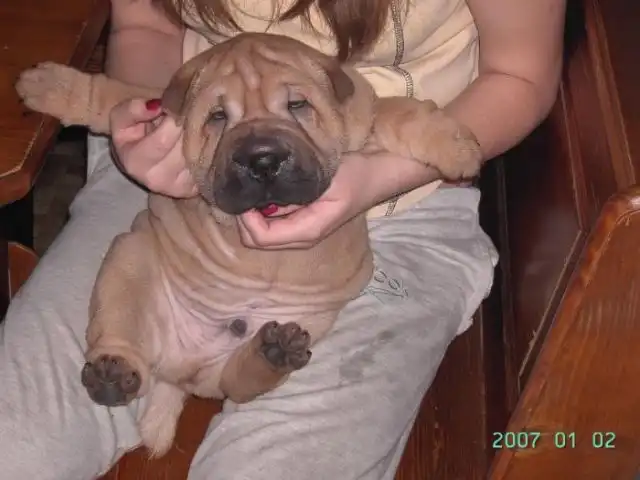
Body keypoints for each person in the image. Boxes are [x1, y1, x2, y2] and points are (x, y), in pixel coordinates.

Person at [0, 0, 566, 478]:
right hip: (180, 200)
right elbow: (148, 26)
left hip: (402, 198)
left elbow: (520, 75)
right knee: (14, 442)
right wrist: (157, 141)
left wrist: (378, 175)